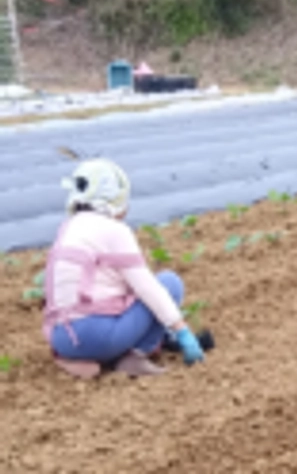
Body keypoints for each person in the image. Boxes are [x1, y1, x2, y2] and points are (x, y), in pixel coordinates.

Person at [41, 158, 205, 379]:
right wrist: (182, 330)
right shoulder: (114, 230)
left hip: (61, 337)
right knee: (169, 283)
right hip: (95, 335)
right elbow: (148, 288)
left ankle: (75, 359)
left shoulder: (67, 228)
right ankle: (135, 355)